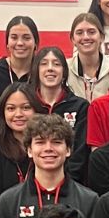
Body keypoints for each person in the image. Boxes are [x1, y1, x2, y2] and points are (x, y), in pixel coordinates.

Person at [0, 83, 44, 218]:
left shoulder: (47, 149)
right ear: (2, 113)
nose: (18, 114)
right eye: (11, 108)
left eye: (26, 108)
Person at [28, 46, 89, 184]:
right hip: (31, 181)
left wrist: (65, 182)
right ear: (36, 70)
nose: (50, 68)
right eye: (44, 64)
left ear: (64, 71)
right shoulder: (27, 104)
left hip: (70, 182)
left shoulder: (80, 106)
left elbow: (79, 154)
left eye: (56, 64)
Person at [0, 15, 39, 96]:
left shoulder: (42, 72)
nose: (20, 43)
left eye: (26, 38)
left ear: (35, 43)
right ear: (7, 43)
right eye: (14, 38)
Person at [66, 12, 109, 102]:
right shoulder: (64, 69)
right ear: (73, 39)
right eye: (79, 33)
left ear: (102, 37)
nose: (85, 37)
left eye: (91, 32)